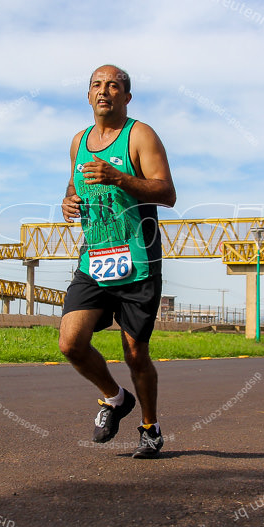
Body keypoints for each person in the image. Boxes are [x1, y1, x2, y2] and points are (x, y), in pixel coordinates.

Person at [59, 64, 176, 459]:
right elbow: (75, 184)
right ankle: (114, 397)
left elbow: (166, 192)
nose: (104, 91)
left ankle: (150, 427)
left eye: (113, 85)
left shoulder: (139, 135)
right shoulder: (78, 141)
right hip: (94, 258)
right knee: (71, 343)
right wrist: (68, 201)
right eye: (96, 84)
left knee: (134, 354)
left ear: (127, 97)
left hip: (137, 259)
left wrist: (120, 178)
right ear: (88, 95)